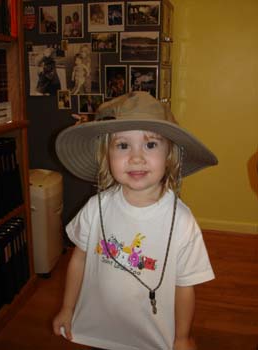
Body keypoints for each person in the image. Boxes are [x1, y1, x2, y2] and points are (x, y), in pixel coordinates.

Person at [53, 91, 218, 350]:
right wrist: (67, 307)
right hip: (99, 331)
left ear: (170, 155)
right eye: (122, 145)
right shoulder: (96, 208)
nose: (136, 157)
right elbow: (79, 260)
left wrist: (183, 337)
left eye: (150, 144)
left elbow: (184, 287)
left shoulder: (182, 222)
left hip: (153, 338)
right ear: (106, 155)